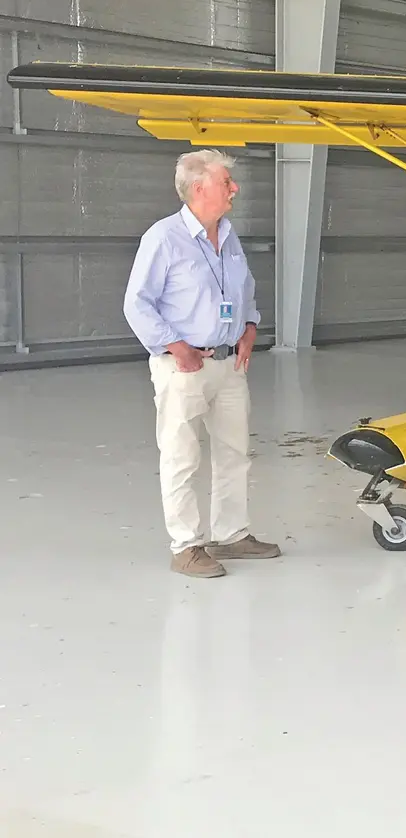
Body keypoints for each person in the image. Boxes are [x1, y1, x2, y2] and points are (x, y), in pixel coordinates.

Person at [124, 149, 280, 578]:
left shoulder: (227, 236)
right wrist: (174, 345)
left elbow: (244, 291)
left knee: (235, 453)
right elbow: (137, 304)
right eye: (226, 182)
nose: (235, 188)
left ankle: (231, 535)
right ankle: (186, 547)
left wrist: (250, 326)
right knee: (181, 456)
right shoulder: (163, 238)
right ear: (198, 188)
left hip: (230, 366)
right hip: (185, 369)